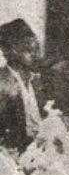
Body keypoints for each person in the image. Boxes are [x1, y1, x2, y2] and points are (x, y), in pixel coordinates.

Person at [0, 19, 42, 152]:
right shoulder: (2, 83)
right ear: (11, 51)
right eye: (28, 50)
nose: (36, 56)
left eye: (37, 49)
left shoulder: (38, 82)